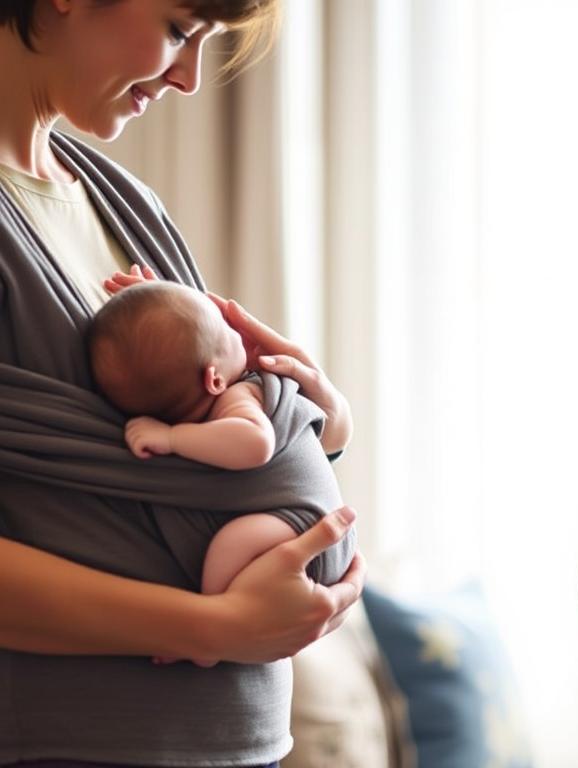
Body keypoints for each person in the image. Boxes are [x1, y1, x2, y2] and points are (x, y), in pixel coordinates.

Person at [0, 2, 365, 766]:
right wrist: (210, 628)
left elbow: (192, 454)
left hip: (232, 742)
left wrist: (317, 418)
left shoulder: (129, 206)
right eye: (177, 28)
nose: (188, 77)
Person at [88, 273, 355, 666]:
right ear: (213, 377)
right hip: (308, 531)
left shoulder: (244, 393)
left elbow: (256, 443)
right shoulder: (230, 396)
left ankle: (210, 629)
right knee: (232, 542)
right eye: (226, 333)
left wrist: (172, 437)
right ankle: (214, 624)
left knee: (230, 543)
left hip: (309, 529)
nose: (237, 334)